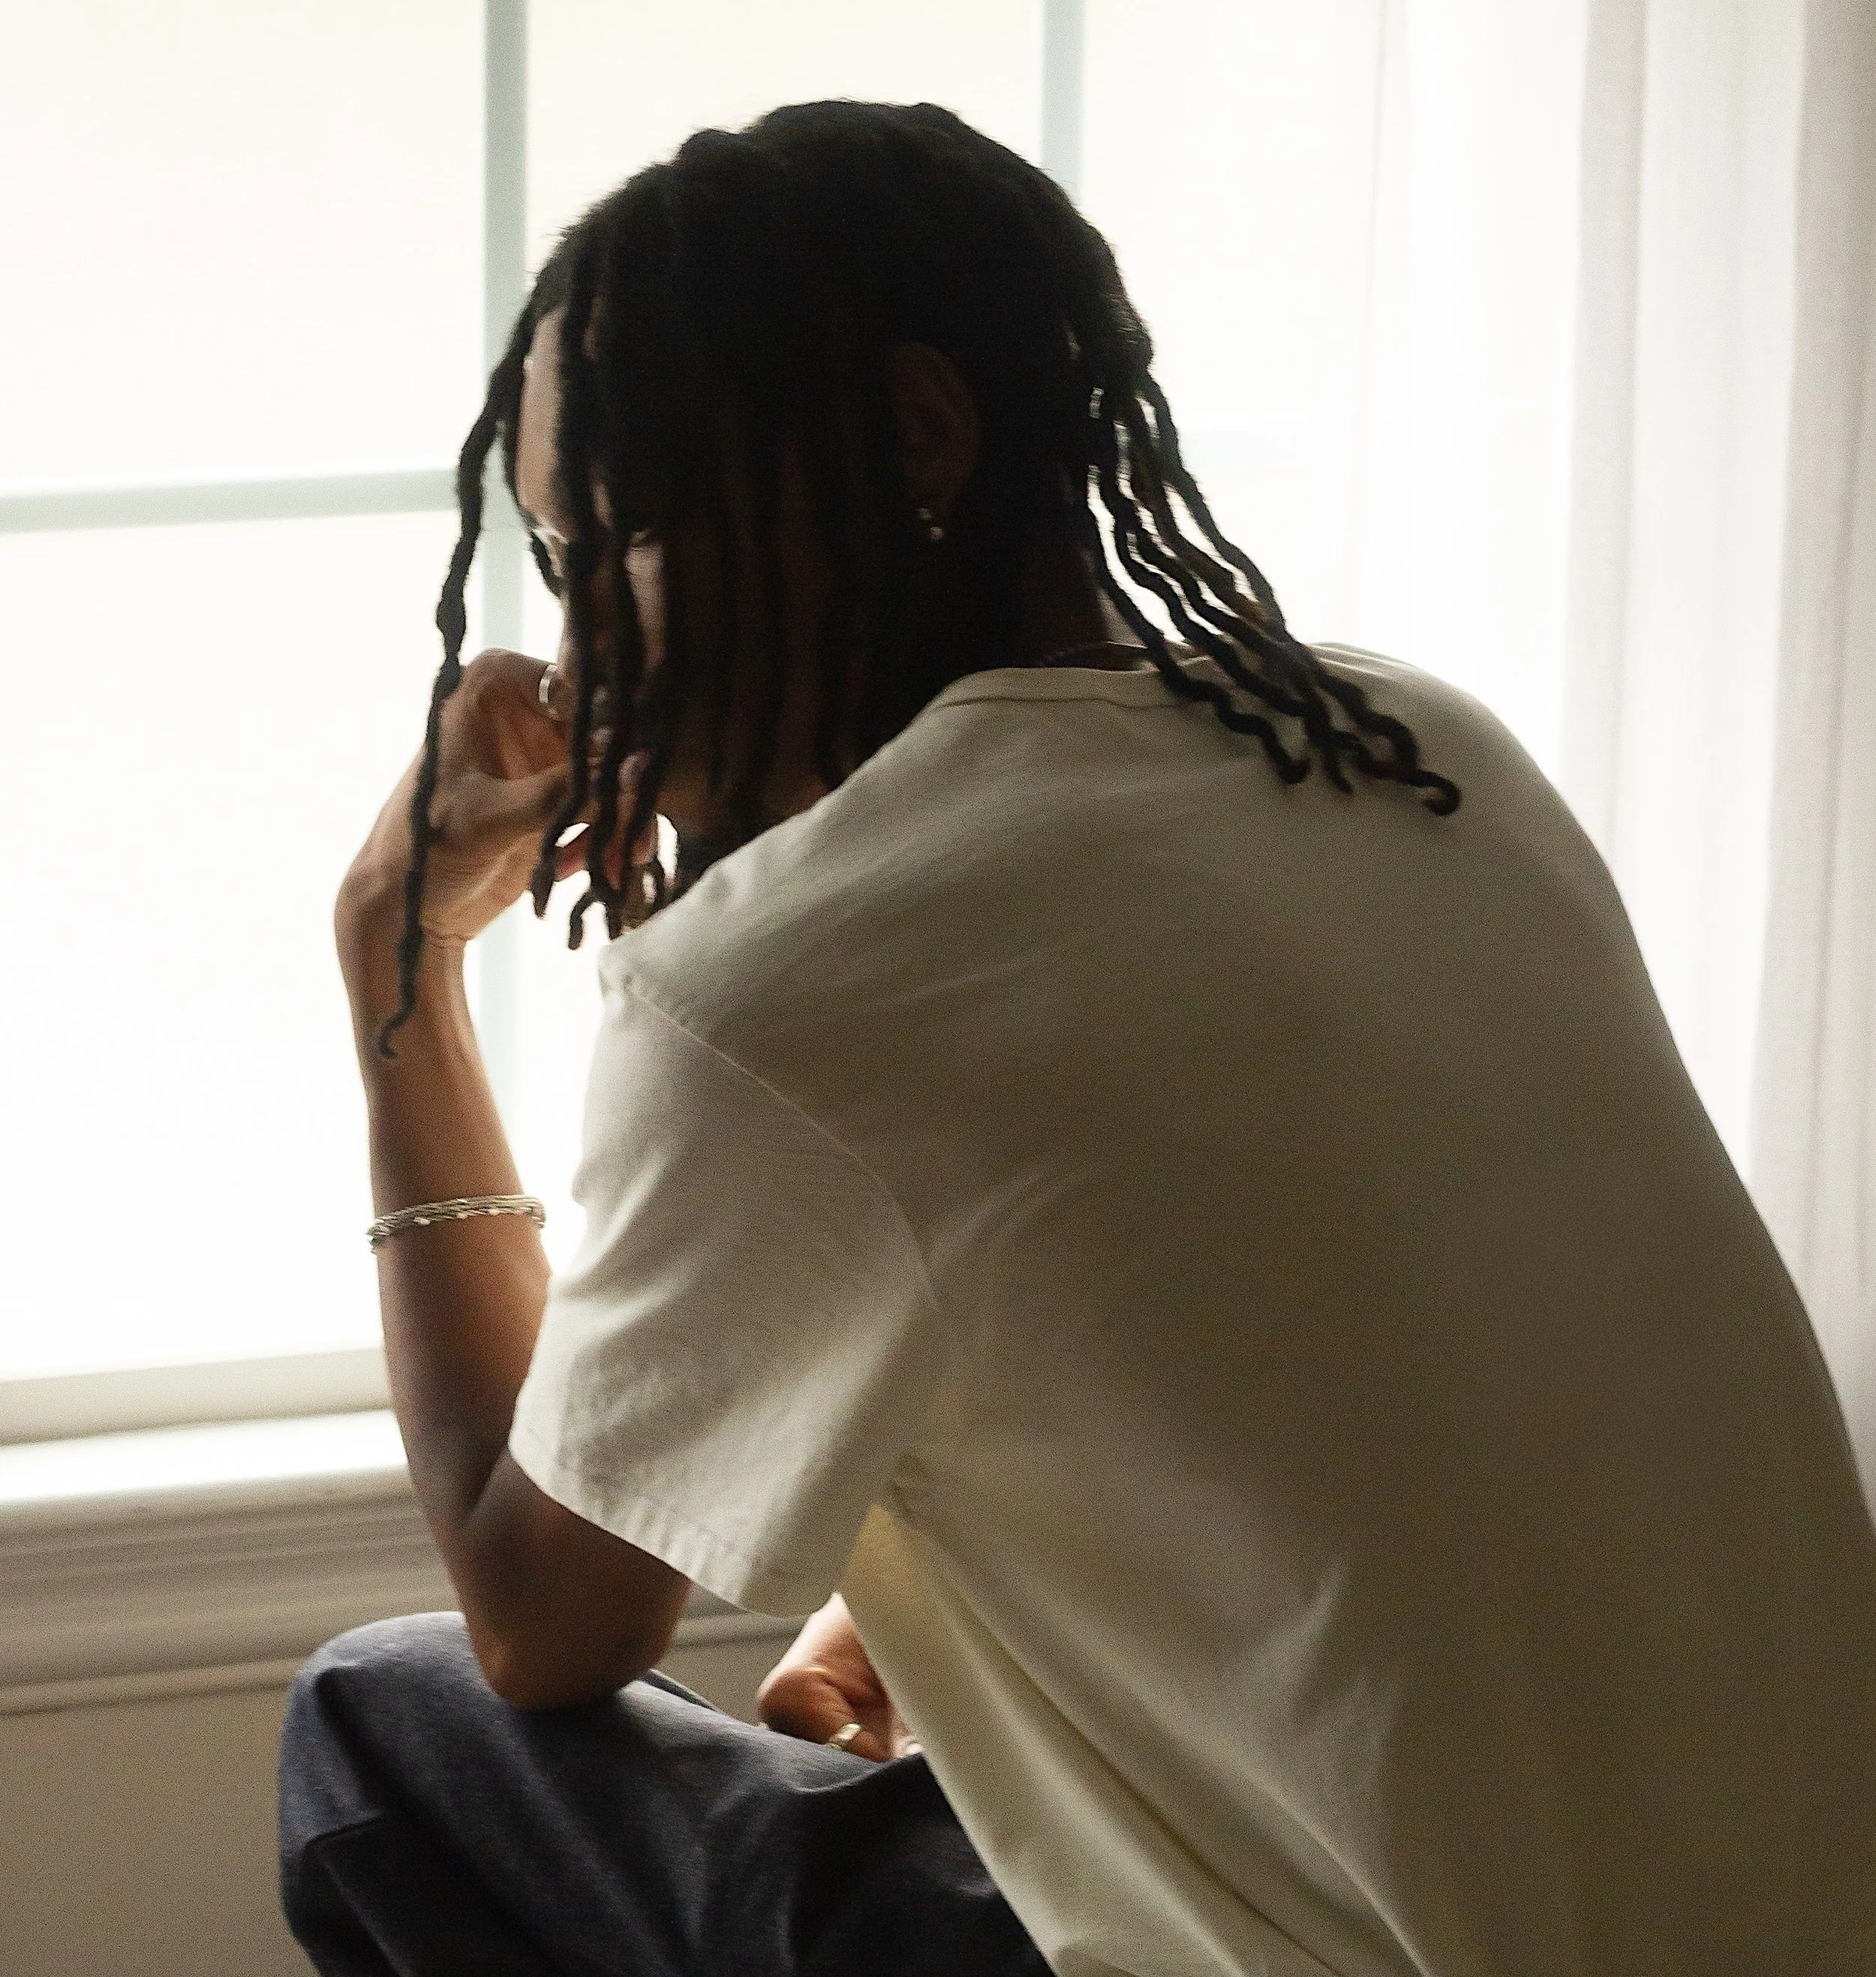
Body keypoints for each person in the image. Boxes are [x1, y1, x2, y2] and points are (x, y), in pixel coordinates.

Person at [280, 101, 1876, 1977]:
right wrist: (980, 1616)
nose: (572, 653)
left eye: (616, 538)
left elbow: (539, 1620)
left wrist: (396, 970)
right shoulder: (1410, 748)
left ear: (918, 435)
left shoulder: (784, 990)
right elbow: (1361, 1357)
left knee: (387, 1725)